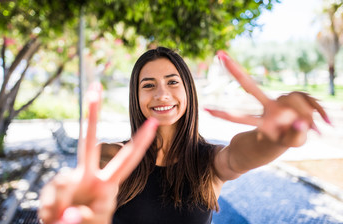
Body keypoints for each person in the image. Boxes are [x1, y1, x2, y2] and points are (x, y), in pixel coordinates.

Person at [39, 47, 330, 224]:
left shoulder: (212, 162)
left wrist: (282, 134)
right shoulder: (111, 158)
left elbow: (246, 151)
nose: (162, 94)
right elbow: (80, 206)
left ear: (188, 90)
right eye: (149, 85)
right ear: (136, 95)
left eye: (172, 82)